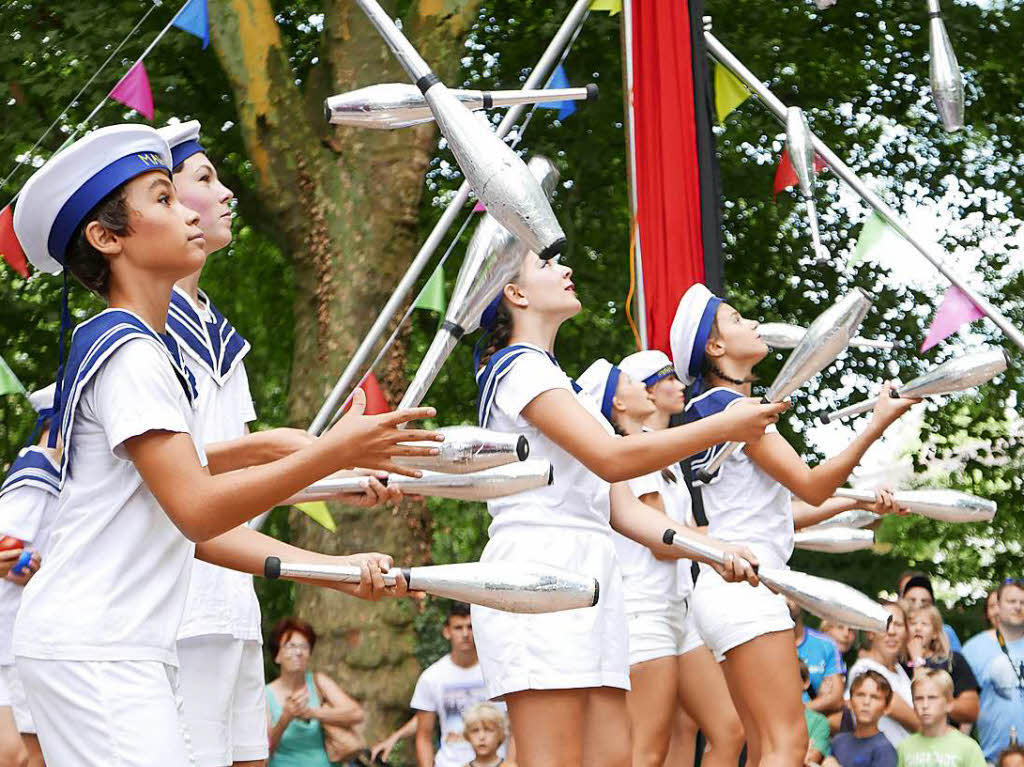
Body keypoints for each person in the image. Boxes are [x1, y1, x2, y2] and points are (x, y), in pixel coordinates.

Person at [10, 124, 440, 765]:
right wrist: (332, 453)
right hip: (98, 646)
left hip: (108, 643)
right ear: (106, 238)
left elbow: (199, 525)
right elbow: (200, 510)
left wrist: (332, 562)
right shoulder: (130, 351)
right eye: (163, 198)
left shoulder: (136, 346)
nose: (188, 210)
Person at [471, 253, 782, 767]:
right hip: (537, 567)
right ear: (515, 294)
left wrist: (710, 549)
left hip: (591, 574)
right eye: (543, 263)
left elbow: (622, 510)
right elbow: (612, 458)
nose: (563, 267)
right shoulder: (517, 367)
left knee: (616, 758)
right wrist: (724, 425)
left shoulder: (553, 379)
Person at [669, 283, 918, 767]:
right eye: (738, 319)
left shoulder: (714, 411)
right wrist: (877, 423)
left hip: (727, 589)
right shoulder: (736, 411)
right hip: (747, 588)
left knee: (765, 746)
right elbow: (811, 486)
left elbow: (783, 513)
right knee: (787, 745)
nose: (754, 325)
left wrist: (861, 502)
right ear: (715, 348)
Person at [581, 352, 745, 767]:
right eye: (632, 383)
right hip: (643, 613)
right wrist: (723, 550)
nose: (644, 388)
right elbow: (662, 540)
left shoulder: (656, 457)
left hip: (678, 610)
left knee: (728, 730)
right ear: (617, 404)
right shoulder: (628, 454)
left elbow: (688, 532)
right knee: (645, 752)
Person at [0, 385, 54, 767]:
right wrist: (23, 563)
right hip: (10, 634)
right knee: (18, 754)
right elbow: (7, 546)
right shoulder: (38, 468)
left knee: (34, 754)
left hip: (27, 635)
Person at [411, 603, 508, 767]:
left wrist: (513, 762)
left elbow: (515, 726)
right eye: (458, 627)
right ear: (447, 631)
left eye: (470, 627)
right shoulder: (432, 677)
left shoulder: (499, 671)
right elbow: (424, 736)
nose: (465, 634)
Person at [266, 618, 365, 767]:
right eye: (290, 646)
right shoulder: (265, 694)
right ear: (277, 655)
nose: (298, 652)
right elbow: (264, 752)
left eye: (304, 646)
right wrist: (285, 719)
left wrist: (311, 713)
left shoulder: (318, 682)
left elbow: (357, 714)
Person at [962, 578, 1024, 762]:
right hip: (991, 759)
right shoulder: (973, 649)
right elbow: (967, 708)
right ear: (998, 605)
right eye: (1011, 601)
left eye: (1023, 602)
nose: (1018, 607)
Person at [847, 601, 919, 748]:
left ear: (906, 632)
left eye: (898, 625)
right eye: (885, 624)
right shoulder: (864, 670)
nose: (891, 631)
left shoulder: (899, 670)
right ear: (870, 632)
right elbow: (914, 720)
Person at [905, 605, 978, 728]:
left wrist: (917, 661)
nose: (918, 628)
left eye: (924, 624)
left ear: (934, 633)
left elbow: (971, 710)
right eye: (913, 624)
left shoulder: (953, 660)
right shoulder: (899, 663)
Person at [895, 669, 986, 767]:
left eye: (932, 697)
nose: (925, 705)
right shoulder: (905, 747)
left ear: (949, 703)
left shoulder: (968, 747)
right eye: (919, 698)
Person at [824, 672, 897, 767]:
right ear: (849, 702)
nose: (866, 702)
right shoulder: (838, 741)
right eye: (860, 695)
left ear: (886, 708)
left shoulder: (885, 749)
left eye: (875, 697)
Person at [789, 599, 845, 715]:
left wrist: (796, 712)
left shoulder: (826, 644)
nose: (784, 600)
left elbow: (836, 700)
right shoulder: (761, 647)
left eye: (787, 594)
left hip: (814, 725)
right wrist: (822, 701)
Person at [898, 574, 961, 653]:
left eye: (924, 602)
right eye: (912, 601)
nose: (918, 605)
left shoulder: (946, 632)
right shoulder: (892, 630)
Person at [801, 660, 833, 765]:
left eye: (790, 679)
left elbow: (811, 760)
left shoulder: (818, 722)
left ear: (805, 682)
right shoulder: (764, 718)